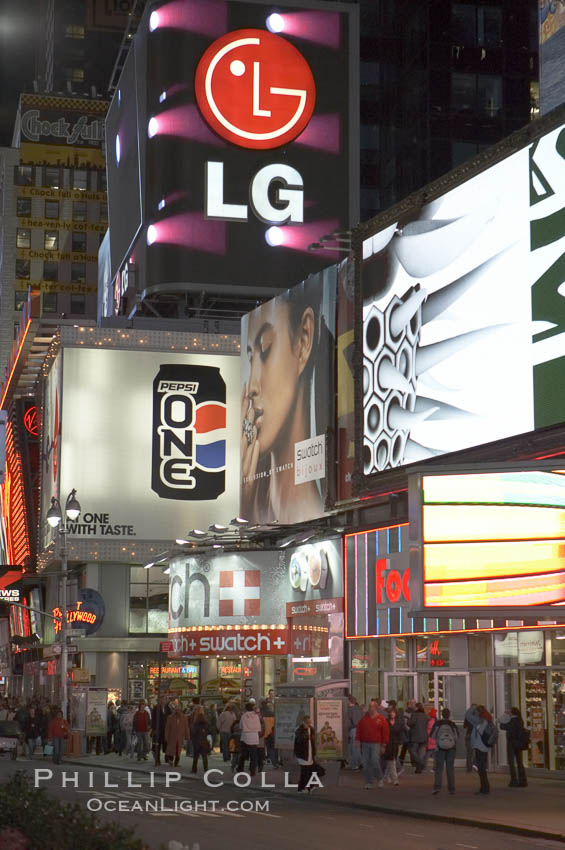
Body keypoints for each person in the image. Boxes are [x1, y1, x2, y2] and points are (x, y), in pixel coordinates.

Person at [240, 279, 333, 524]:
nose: (252, 387)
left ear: (303, 340)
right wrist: (245, 506)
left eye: (266, 349)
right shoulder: (256, 505)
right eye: (250, 359)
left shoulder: (313, 512)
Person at [355, 698, 390, 789]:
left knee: (374, 761)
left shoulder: (381, 719)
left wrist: (384, 745)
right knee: (366, 763)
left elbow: (385, 732)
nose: (370, 708)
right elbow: (359, 729)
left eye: (372, 707)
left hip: (376, 743)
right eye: (369, 707)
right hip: (365, 743)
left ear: (376, 708)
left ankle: (379, 778)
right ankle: (368, 782)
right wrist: (357, 740)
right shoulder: (364, 718)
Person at [431, 708, 458, 795]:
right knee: (450, 768)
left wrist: (439, 740)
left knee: (439, 768)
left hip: (440, 748)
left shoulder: (438, 723)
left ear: (442, 714)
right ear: (449, 715)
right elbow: (456, 737)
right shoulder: (452, 724)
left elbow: (432, 735)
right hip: (451, 749)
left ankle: (437, 787)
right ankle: (451, 789)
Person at [466, 704, 492, 795]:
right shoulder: (487, 719)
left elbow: (468, 715)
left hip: (480, 746)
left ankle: (484, 788)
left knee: (481, 769)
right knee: (482, 768)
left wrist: (472, 707)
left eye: (476, 712)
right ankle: (484, 787)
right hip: (484, 746)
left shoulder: (480, 721)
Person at [500, 707, 528, 788]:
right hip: (519, 743)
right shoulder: (520, 720)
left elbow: (502, 726)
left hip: (512, 743)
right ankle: (523, 780)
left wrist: (504, 716)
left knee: (511, 762)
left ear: (512, 713)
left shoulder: (511, 721)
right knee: (519, 762)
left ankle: (514, 780)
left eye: (509, 712)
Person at [237, 702, 262, 777]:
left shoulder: (244, 715)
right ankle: (252, 771)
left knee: (243, 754)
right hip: (254, 737)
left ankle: (240, 768)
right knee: (253, 755)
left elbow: (240, 726)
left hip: (245, 736)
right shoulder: (256, 716)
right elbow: (259, 726)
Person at [294, 715, 318, 793]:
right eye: (307, 722)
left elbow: (312, 742)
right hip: (303, 755)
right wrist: (305, 730)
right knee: (305, 772)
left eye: (310, 722)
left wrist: (314, 752)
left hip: (310, 753)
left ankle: (309, 787)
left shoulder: (311, 729)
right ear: (303, 722)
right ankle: (302, 788)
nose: (309, 724)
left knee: (309, 771)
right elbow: (300, 740)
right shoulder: (299, 730)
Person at [383, 709, 404, 785]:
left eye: (393, 713)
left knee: (391, 760)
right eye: (391, 713)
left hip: (395, 743)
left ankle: (385, 777)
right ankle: (395, 779)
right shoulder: (386, 722)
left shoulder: (398, 723)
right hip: (388, 743)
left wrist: (400, 741)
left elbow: (400, 732)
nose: (392, 714)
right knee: (392, 760)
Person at [407, 702, 428, 774]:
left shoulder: (414, 715)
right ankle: (419, 768)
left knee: (413, 751)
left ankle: (420, 764)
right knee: (421, 753)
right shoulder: (425, 716)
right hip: (424, 737)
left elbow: (409, 723)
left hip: (416, 736)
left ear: (417, 708)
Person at [190, 706, 211, 773]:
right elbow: (208, 732)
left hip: (197, 742)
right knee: (204, 756)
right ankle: (206, 769)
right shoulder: (206, 724)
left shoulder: (196, 724)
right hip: (204, 742)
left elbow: (193, 733)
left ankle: (194, 769)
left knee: (195, 757)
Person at [151, 695, 170, 766]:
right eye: (164, 699)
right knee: (157, 745)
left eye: (165, 699)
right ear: (160, 700)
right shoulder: (156, 708)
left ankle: (167, 758)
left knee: (166, 744)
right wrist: (154, 729)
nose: (165, 701)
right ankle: (157, 759)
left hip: (165, 729)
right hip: (158, 729)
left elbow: (169, 717)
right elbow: (153, 719)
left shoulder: (167, 708)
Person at [262, 699, 280, 768]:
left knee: (269, 749)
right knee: (274, 749)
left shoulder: (262, 714)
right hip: (272, 733)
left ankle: (274, 763)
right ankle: (276, 762)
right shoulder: (273, 714)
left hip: (265, 733)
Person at [347, 696, 363, 770]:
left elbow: (353, 721)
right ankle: (360, 763)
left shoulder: (351, 710)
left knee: (353, 748)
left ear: (349, 701)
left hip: (353, 730)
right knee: (357, 748)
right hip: (359, 729)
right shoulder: (359, 709)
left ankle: (355, 764)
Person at [464, 703, 476, 772]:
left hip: (468, 734)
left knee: (469, 752)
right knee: (476, 751)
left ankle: (469, 768)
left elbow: (464, 726)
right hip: (474, 736)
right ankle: (474, 765)